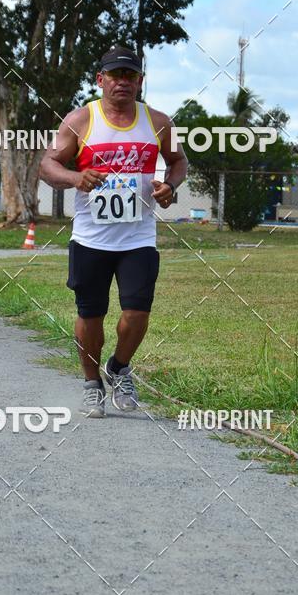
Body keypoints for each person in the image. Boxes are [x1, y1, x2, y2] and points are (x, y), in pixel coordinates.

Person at [40, 45, 188, 417]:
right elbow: (47, 165)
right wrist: (76, 176)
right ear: (100, 80)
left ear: (139, 81)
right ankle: (92, 383)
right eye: (115, 75)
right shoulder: (80, 121)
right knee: (90, 315)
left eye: (130, 75)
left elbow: (178, 161)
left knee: (136, 313)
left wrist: (170, 185)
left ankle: (119, 367)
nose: (122, 82)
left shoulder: (157, 121)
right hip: (91, 238)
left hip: (138, 237)